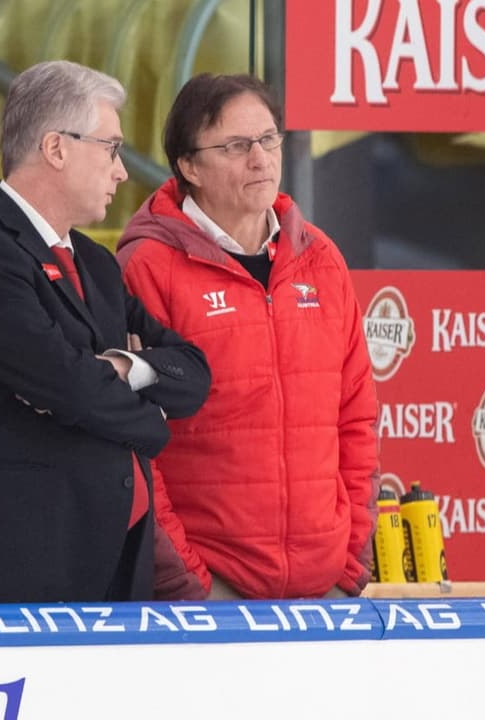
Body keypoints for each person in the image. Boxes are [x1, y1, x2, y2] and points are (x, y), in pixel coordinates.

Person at [0, 60, 211, 604]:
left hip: (112, 571)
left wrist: (123, 367)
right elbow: (72, 388)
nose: (122, 172)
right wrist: (150, 414)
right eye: (112, 148)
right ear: (56, 149)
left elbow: (192, 371)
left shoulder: (94, 263)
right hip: (11, 576)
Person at [117, 74, 379, 601]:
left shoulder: (320, 258)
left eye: (268, 139)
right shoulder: (147, 267)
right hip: (212, 595)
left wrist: (349, 559)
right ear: (189, 166)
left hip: (323, 589)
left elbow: (355, 415)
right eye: (236, 146)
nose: (260, 159)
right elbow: (130, 441)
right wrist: (188, 580)